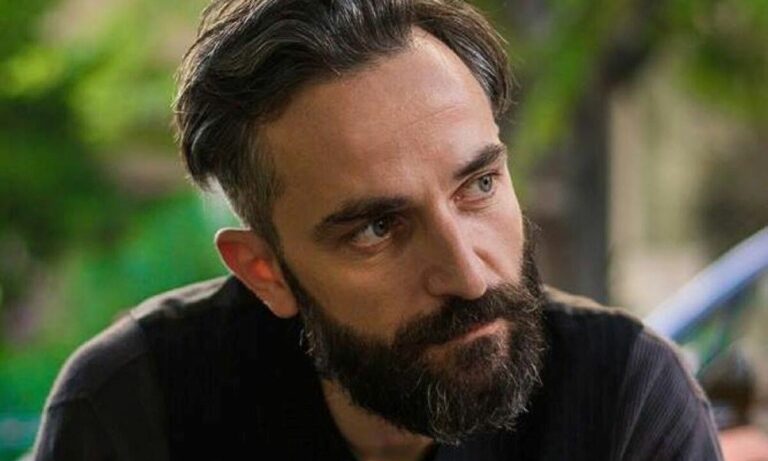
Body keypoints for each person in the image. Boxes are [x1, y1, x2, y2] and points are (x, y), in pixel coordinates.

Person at [33, 0, 723, 460]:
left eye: (479, 185)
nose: (469, 274)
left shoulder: (622, 398)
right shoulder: (135, 411)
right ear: (264, 271)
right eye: (378, 228)